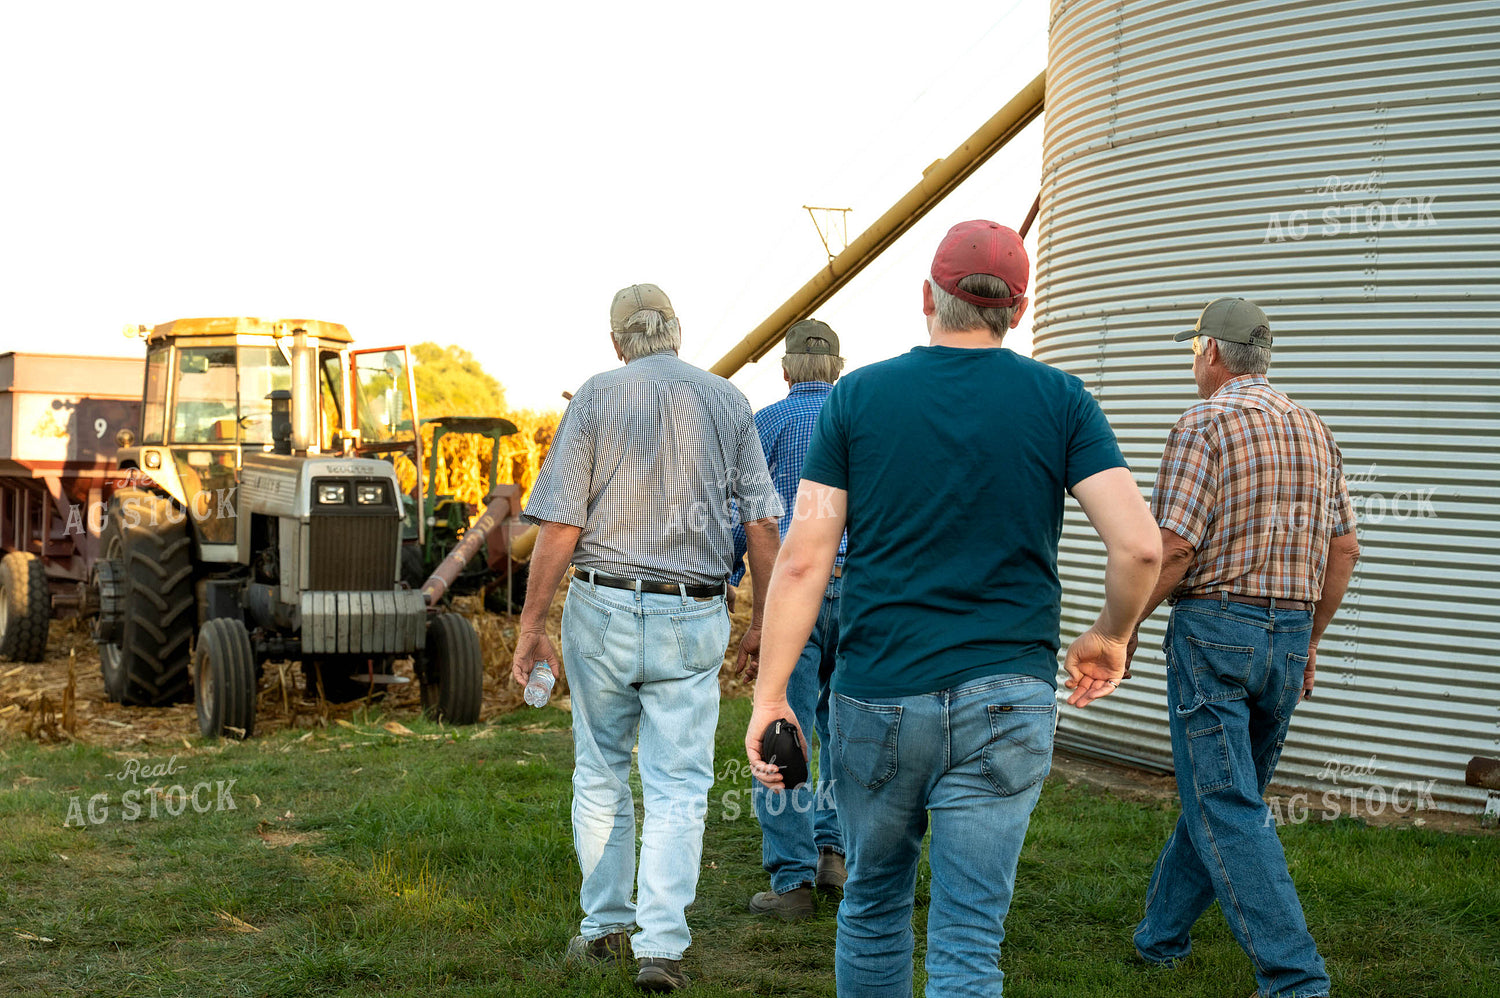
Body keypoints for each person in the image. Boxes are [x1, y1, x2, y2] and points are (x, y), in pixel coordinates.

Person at [744, 220, 1163, 997]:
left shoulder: (860, 396)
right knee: (970, 937)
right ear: (1019, 307)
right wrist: (1111, 635)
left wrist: (774, 696)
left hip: (878, 696)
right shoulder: (1062, 399)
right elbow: (1140, 547)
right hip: (1009, 696)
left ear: (928, 297)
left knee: (872, 906)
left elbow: (802, 559)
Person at [513, 283, 783, 993]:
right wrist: (765, 621)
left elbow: (561, 525)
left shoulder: (597, 397)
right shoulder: (728, 401)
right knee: (678, 783)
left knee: (601, 769)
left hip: (601, 609)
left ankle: (604, 927)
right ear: (678, 332)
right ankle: (661, 945)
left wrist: (531, 623)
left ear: (616, 343)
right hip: (692, 615)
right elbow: (761, 525)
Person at [1128, 297, 1359, 998]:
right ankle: (1160, 939)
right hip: (1286, 637)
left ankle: (1295, 980)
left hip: (1215, 633)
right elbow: (1344, 548)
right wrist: (1310, 639)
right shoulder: (1314, 428)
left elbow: (1173, 547)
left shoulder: (1202, 422)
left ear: (1211, 354)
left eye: (1192, 350)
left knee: (1227, 805)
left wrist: (1121, 628)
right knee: (1226, 794)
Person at [728, 319, 849, 921]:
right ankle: (835, 853)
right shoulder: (861, 419)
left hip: (793, 590)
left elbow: (743, 512)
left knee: (781, 725)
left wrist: (727, 579)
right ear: (839, 367)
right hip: (859, 592)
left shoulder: (767, 424)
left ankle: (792, 880)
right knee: (846, 728)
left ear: (784, 368)